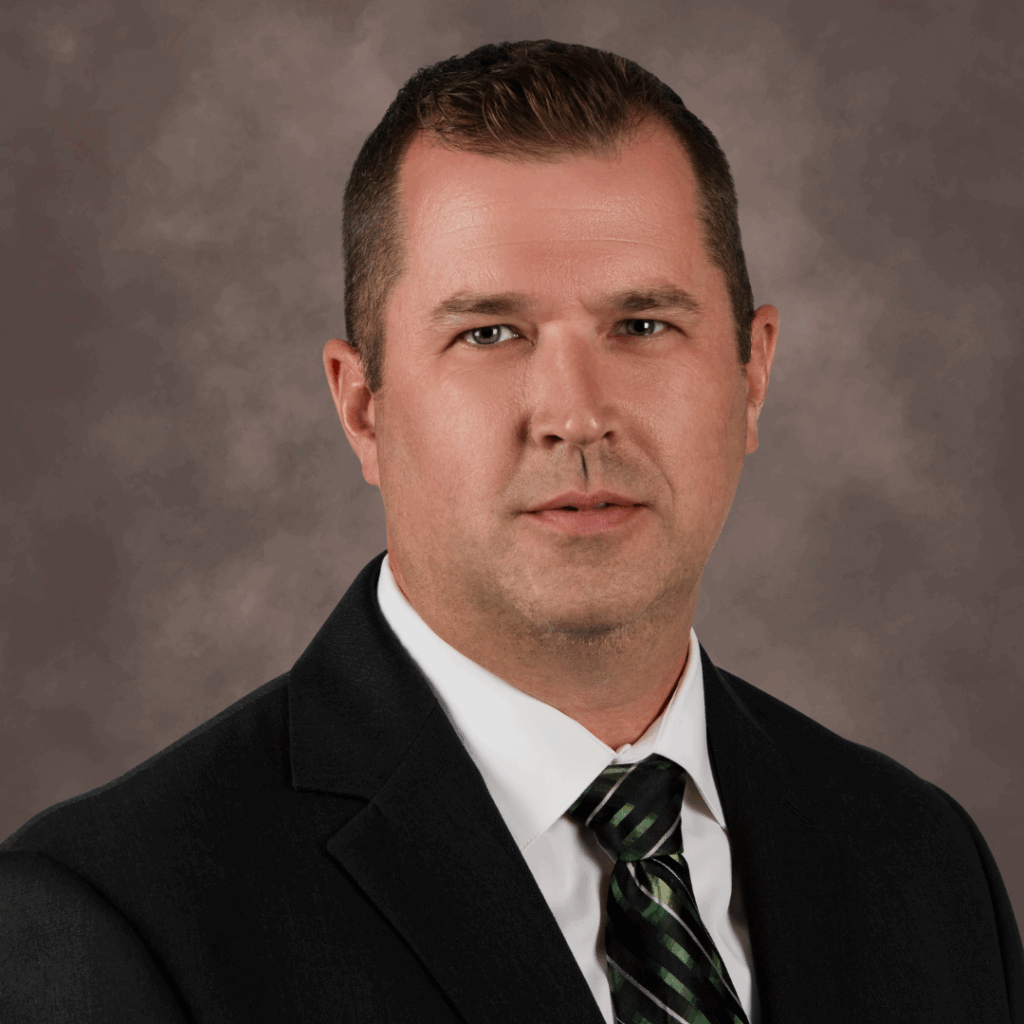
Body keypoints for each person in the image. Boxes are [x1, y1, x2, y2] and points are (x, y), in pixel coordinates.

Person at [1, 38, 1020, 1024]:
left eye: (643, 325)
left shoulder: (923, 866)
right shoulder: (114, 917)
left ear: (751, 377)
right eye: (489, 333)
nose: (576, 413)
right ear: (362, 408)